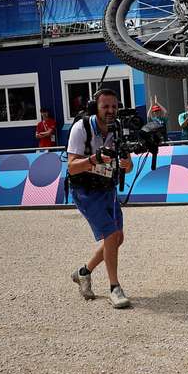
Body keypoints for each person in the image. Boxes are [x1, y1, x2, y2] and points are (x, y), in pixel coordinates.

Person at [66, 89, 134, 309]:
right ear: (95, 107)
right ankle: (115, 288)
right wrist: (94, 159)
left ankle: (83, 272)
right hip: (85, 190)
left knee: (118, 238)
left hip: (107, 188)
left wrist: (126, 164)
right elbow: (72, 167)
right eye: (105, 106)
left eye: (114, 106)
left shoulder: (118, 129)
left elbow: (129, 165)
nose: (111, 111)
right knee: (111, 235)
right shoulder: (81, 128)